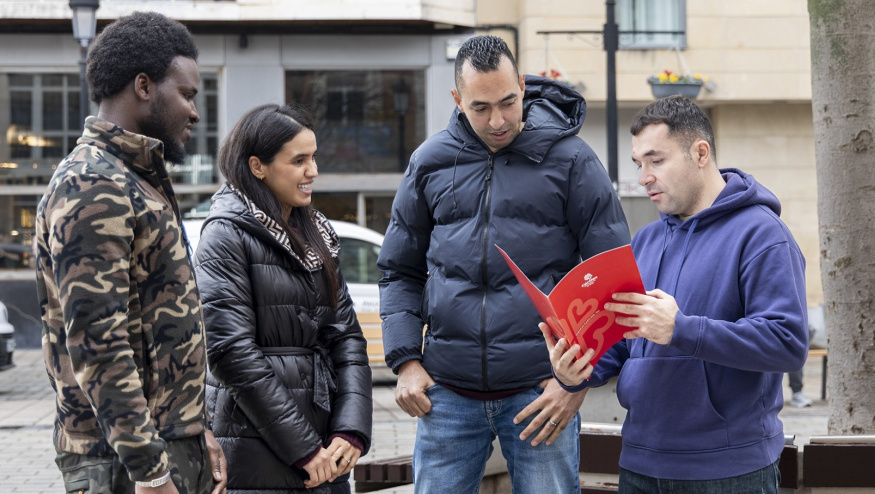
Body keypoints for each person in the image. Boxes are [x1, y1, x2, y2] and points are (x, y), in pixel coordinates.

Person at [377, 35, 630, 493]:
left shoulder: (573, 160)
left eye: (508, 102)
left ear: (523, 85)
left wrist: (574, 383)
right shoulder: (429, 162)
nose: (497, 121)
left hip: (542, 390)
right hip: (446, 393)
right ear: (457, 99)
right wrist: (406, 361)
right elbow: (399, 271)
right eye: (480, 108)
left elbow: (610, 275)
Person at [547, 95, 810, 493]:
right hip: (639, 462)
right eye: (638, 164)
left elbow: (787, 343)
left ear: (700, 153)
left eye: (656, 160)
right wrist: (578, 369)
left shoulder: (763, 236)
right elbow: (622, 341)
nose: (643, 177)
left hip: (728, 470)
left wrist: (680, 329)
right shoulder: (645, 241)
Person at [35, 12, 227, 494]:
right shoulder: (93, 184)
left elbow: (162, 329)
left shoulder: (136, 179)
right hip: (124, 462)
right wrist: (151, 471)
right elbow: (98, 343)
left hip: (167, 444)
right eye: (186, 94)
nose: (194, 113)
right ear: (144, 86)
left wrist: (196, 428)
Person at [193, 103, 372, 493]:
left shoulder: (317, 235)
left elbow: (347, 338)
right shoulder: (225, 235)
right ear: (258, 166)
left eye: (314, 157)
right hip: (256, 449)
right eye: (299, 160)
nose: (313, 171)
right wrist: (303, 448)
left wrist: (351, 429)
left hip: (326, 451)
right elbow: (230, 351)